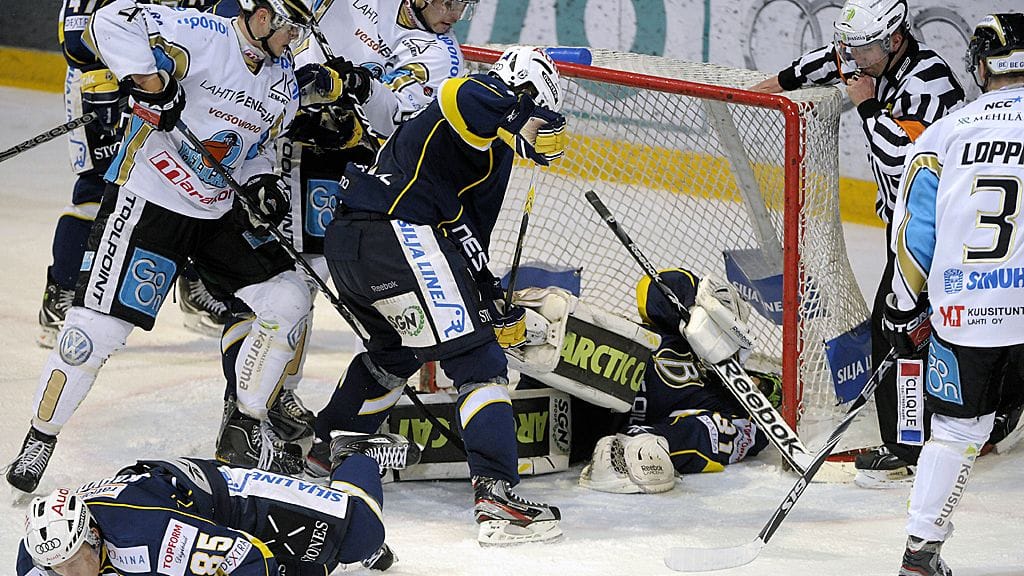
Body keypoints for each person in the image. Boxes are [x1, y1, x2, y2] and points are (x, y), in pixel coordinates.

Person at [5, 0, 315, 494]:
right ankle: (41, 437)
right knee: (93, 334)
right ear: (262, 15)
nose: (296, 40)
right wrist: (152, 84)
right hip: (151, 198)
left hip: (216, 213)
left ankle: (247, 422)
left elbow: (255, 151)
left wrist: (264, 184)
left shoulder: (283, 83)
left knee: (290, 298)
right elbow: (108, 19)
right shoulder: (203, 33)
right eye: (292, 27)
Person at [310, 45, 567, 545]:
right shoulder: (477, 105)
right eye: (538, 111)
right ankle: (497, 498)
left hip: (353, 244)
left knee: (395, 352)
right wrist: (526, 116)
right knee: (480, 361)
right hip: (397, 234)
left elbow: (460, 233)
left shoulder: (489, 155)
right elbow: (464, 93)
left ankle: (332, 443)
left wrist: (489, 296)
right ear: (523, 91)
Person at [211, 0, 478, 449]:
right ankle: (246, 410)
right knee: (266, 286)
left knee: (302, 281)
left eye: (464, 6)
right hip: (264, 148)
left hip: (341, 167)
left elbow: (398, 119)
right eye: (449, 1)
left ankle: (272, 397)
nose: (454, 14)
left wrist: (352, 94)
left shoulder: (440, 52)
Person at [749, 0, 966, 488]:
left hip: (936, 234)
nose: (851, 56)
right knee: (907, 330)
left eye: (861, 47)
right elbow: (824, 61)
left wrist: (866, 103)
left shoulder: (928, 83)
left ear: (893, 41)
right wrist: (761, 91)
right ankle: (980, 419)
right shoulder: (870, 56)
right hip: (910, 229)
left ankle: (908, 449)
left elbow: (901, 161)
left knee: (898, 330)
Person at [883, 13, 1024, 575]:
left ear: (982, 66)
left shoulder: (948, 130)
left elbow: (912, 233)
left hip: (970, 316)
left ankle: (920, 556)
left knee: (956, 433)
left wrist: (909, 308)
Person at [17, 432, 419, 575]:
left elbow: (246, 561)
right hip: (172, 507)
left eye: (73, 564)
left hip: (227, 500)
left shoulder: (156, 538)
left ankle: (353, 455)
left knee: (362, 533)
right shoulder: (41, 553)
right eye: (57, 568)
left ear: (91, 535)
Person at [579, 269, 778, 494]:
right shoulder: (681, 336)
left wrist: (653, 440)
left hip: (584, 426)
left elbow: (701, 437)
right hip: (586, 352)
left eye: (761, 390)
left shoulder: (724, 412)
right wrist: (693, 308)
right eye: (760, 383)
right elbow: (651, 288)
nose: (756, 384)